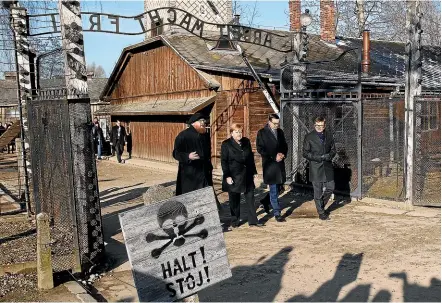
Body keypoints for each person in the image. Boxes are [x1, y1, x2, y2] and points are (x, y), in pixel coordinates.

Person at [221, 123, 263, 228]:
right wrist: (227, 176)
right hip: (234, 175)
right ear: (231, 133)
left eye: (240, 132)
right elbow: (224, 161)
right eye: (236, 132)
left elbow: (250, 158)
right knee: (234, 199)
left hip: (247, 174)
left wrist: (254, 172)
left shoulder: (246, 141)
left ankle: (253, 221)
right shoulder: (226, 144)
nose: (239, 134)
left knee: (250, 197)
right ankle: (235, 221)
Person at [256, 113, 288, 222]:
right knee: (274, 189)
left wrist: (283, 154)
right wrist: (273, 156)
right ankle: (277, 213)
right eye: (274, 124)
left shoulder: (280, 132)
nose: (276, 126)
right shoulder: (262, 133)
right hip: (270, 165)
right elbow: (260, 149)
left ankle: (265, 201)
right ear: (269, 122)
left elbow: (284, 145)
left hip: (280, 164)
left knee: (279, 187)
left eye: (278, 124)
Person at [303, 116, 336, 220]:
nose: (319, 127)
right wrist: (318, 157)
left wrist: (329, 156)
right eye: (317, 125)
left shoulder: (329, 135)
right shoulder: (309, 137)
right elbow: (305, 153)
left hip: (327, 165)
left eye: (321, 126)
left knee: (331, 187)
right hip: (316, 167)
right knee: (318, 190)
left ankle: (321, 204)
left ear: (324, 125)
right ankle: (321, 212)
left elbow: (333, 149)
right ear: (314, 125)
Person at [173, 112, 213, 196]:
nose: (204, 123)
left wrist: (209, 166)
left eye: (204, 121)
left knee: (206, 197)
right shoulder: (183, 136)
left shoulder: (205, 135)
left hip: (205, 172)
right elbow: (176, 153)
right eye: (201, 121)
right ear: (193, 123)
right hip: (190, 175)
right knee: (191, 197)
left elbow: (208, 152)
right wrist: (188, 156)